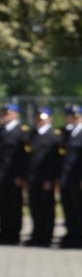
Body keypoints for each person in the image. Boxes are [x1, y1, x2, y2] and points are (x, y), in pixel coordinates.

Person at [25, 107, 61, 247]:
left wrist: (50, 179)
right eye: (38, 118)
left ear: (50, 119)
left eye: (43, 118)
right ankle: (36, 235)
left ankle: (46, 236)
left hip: (45, 178)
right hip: (33, 177)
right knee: (35, 207)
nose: (40, 120)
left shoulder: (54, 135)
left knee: (47, 208)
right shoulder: (32, 134)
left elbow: (54, 161)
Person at [59, 105, 82, 249]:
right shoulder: (65, 133)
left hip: (78, 178)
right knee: (67, 207)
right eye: (70, 116)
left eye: (76, 117)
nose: (72, 119)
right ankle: (70, 234)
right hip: (65, 177)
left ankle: (78, 237)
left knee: (78, 208)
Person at [0, 104, 29, 245]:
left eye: (7, 113)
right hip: (2, 174)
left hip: (14, 175)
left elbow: (23, 157)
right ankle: (4, 232)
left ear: (16, 114)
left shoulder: (22, 132)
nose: (4, 116)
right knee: (3, 205)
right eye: (3, 114)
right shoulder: (2, 130)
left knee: (14, 205)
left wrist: (21, 175)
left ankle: (14, 234)